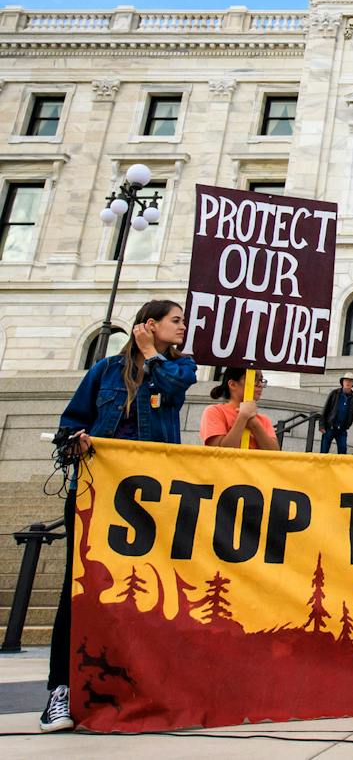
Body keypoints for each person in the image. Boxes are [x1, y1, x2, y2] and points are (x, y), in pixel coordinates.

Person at [44, 300, 198, 733]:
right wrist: (76, 441)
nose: (183, 327)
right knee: (79, 593)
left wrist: (151, 353)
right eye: (175, 320)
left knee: (150, 590)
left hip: (149, 503)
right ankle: (61, 691)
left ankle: (143, 688)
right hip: (96, 497)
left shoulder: (179, 367)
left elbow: (173, 390)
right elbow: (68, 425)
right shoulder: (105, 372)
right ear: (149, 325)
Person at [201, 367, 278, 449]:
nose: (260, 385)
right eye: (253, 379)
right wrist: (243, 417)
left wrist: (254, 425)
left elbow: (274, 454)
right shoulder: (215, 411)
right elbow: (220, 454)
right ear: (232, 384)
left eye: (261, 380)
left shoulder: (264, 420)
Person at [318, 372, 353, 454]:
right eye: (346, 380)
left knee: (342, 452)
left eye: (350, 381)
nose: (348, 382)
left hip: (342, 430)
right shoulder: (334, 393)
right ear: (342, 382)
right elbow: (325, 410)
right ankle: (321, 467)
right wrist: (322, 425)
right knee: (323, 452)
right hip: (329, 428)